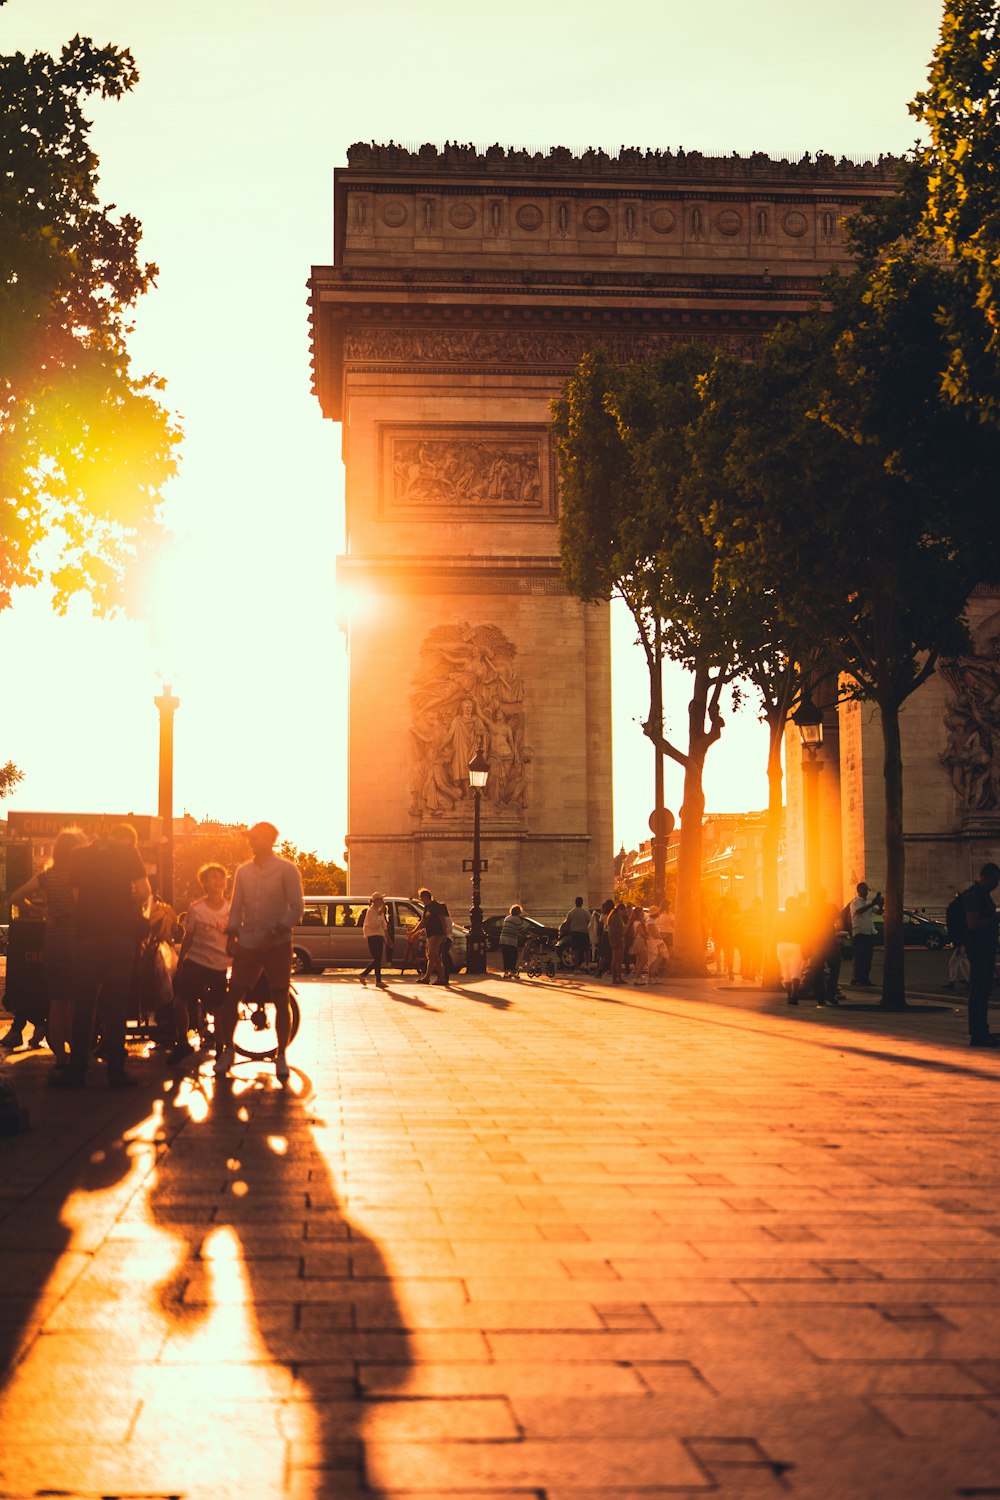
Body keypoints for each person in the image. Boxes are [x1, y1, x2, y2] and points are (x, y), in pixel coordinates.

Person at [53, 823, 151, 1089]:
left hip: (87, 937)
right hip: (121, 938)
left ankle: (76, 1070)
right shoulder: (128, 854)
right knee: (117, 1006)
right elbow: (143, 893)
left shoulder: (80, 855)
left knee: (84, 1004)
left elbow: (75, 897)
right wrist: (124, 905)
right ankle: (116, 1072)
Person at [217, 822, 304, 1081]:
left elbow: (296, 908)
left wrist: (276, 931)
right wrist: (232, 933)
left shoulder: (287, 870)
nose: (254, 842)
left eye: (259, 838)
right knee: (233, 997)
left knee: (280, 997)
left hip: (277, 942)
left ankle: (281, 1056)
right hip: (248, 940)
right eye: (252, 838)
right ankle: (229, 1051)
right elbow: (237, 906)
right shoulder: (243, 872)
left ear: (271, 840)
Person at [8, 826, 87, 1064]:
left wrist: (40, 909)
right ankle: (76, 1052)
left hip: (52, 938)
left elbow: (14, 898)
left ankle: (60, 1056)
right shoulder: (81, 877)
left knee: (57, 999)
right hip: (76, 938)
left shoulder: (47, 875)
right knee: (75, 999)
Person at [170, 862, 231, 1062]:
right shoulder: (196, 908)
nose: (218, 881)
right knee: (180, 1002)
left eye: (221, 877)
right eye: (213, 877)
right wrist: (181, 962)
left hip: (219, 964)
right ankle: (182, 1042)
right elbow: (189, 936)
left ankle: (221, 1049)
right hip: (195, 962)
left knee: (220, 1009)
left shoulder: (231, 910)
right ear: (204, 882)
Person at [962, 861, 1000, 1047]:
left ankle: (981, 1030)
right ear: (985, 877)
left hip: (984, 949)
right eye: (995, 879)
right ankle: (977, 1033)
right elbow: (973, 924)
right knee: (978, 992)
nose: (997, 884)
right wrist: (995, 918)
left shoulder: (981, 895)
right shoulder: (975, 896)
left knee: (982, 991)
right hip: (978, 949)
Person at [848, 881, 880, 986]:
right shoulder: (855, 902)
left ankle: (864, 979)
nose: (866, 891)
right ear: (858, 891)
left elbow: (878, 912)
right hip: (859, 933)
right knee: (859, 958)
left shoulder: (868, 902)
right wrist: (872, 904)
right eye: (864, 889)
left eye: (867, 889)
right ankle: (856, 979)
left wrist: (880, 904)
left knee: (867, 958)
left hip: (868, 933)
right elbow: (859, 911)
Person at [775, 895, 805, 1005]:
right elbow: (804, 932)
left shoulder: (779, 916)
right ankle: (794, 995)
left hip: (781, 945)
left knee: (785, 971)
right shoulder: (800, 917)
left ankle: (788, 995)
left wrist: (770, 946)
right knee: (796, 971)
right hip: (795, 945)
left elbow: (774, 932)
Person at [417, 887, 449, 987]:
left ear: (426, 897)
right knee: (434, 956)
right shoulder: (427, 907)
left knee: (432, 955)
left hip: (436, 933)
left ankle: (432, 977)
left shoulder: (435, 906)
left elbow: (442, 919)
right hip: (430, 934)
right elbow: (423, 921)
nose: (421, 900)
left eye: (421, 898)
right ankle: (438, 978)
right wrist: (414, 932)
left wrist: (444, 933)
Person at [360, 893, 389, 989]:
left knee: (378, 959)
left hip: (379, 936)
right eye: (380, 899)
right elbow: (374, 924)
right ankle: (363, 974)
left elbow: (384, 924)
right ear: (375, 900)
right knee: (377, 959)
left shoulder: (378, 911)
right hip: (373, 937)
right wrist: (380, 914)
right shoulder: (371, 911)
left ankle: (378, 981)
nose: (382, 901)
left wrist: (387, 938)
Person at [563, 896, 592, 970]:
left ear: (575, 903)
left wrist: (570, 931)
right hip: (584, 932)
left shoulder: (571, 912)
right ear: (582, 903)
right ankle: (587, 965)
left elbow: (567, 923)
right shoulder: (585, 912)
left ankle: (576, 968)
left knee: (576, 951)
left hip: (575, 933)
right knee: (586, 950)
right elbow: (590, 922)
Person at [499, 904, 527, 978]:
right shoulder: (516, 919)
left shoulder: (507, 918)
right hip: (510, 940)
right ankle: (512, 972)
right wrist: (529, 935)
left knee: (506, 956)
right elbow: (522, 930)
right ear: (518, 912)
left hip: (502, 939)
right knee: (514, 956)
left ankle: (506, 973)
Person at [607, 900, 627, 985]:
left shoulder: (618, 917)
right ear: (620, 910)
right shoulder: (614, 917)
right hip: (616, 940)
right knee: (615, 959)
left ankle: (619, 977)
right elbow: (614, 930)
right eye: (624, 911)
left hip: (620, 940)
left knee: (619, 960)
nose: (625, 913)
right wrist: (623, 930)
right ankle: (614, 978)